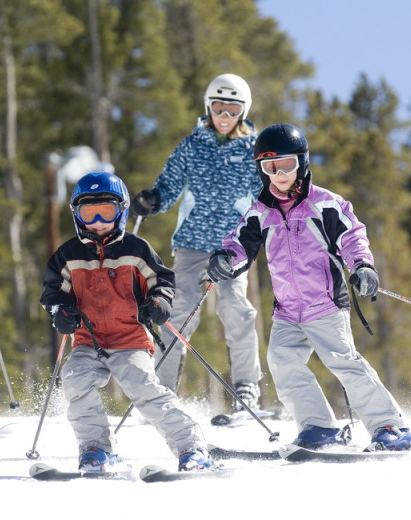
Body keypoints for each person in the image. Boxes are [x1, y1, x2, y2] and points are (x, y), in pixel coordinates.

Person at [206, 123, 411, 450]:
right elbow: (240, 245)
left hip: (326, 305)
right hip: (288, 311)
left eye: (286, 165)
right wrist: (225, 259)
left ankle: (388, 425)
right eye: (270, 167)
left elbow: (352, 235)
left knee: (344, 363)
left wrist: (362, 266)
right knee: (281, 361)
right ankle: (318, 426)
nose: (279, 174)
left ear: (302, 163)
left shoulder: (325, 204)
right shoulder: (260, 211)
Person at [41, 171, 213, 472]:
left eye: (105, 211)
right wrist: (61, 312)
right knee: (74, 379)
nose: (97, 220)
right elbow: (53, 292)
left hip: (130, 339)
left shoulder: (136, 249)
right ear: (76, 215)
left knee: (144, 389)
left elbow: (161, 280)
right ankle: (97, 448)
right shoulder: (68, 255)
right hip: (88, 340)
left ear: (120, 211)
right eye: (88, 212)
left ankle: (192, 448)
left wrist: (159, 302)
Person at [130, 73, 263, 413]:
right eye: (218, 106)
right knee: (178, 312)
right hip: (191, 243)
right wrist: (153, 199)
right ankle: (162, 388)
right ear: (208, 106)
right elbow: (170, 184)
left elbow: (267, 195)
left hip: (232, 247)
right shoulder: (193, 146)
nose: (224, 115)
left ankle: (246, 386)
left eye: (232, 109)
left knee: (237, 308)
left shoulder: (252, 149)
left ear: (243, 111)